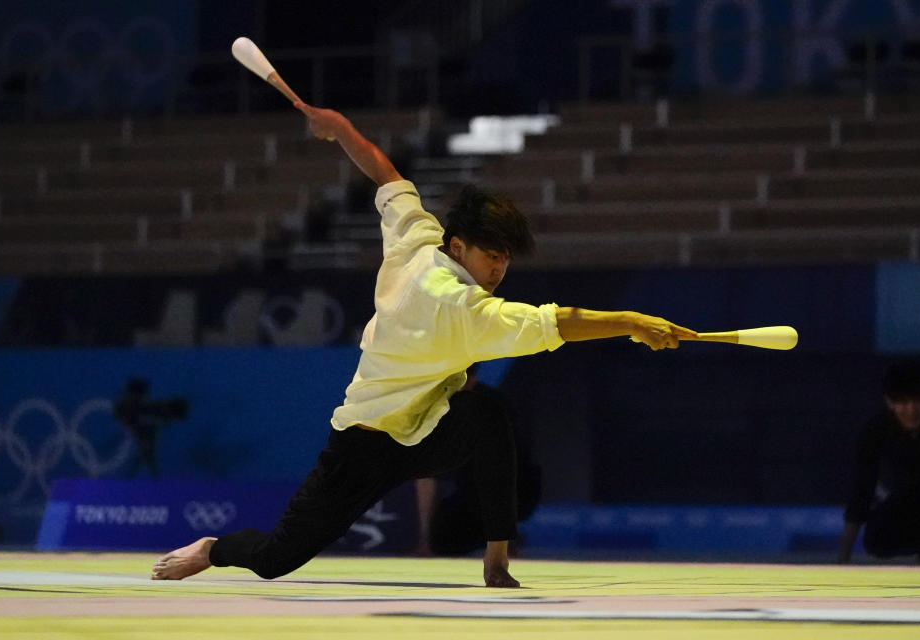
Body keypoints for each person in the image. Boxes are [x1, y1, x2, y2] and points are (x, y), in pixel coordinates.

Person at [151, 101, 697, 588]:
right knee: (275, 559)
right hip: (364, 444)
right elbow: (553, 323)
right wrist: (629, 319)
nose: (499, 269)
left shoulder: (420, 236)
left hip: (427, 428)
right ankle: (212, 548)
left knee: (488, 414)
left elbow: (384, 172)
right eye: (492, 256)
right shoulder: (458, 304)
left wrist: (340, 127)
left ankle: (497, 560)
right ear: (459, 247)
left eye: (507, 258)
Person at [413, 364, 542, 557]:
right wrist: (425, 540)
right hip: (469, 491)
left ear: (472, 380)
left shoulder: (494, 405)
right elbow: (427, 475)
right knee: (445, 539)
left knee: (495, 474)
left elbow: (509, 465)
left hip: (517, 486)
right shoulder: (437, 407)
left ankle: (503, 540)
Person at [837, 360, 920, 564]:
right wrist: (842, 557)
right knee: (879, 538)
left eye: (918, 400)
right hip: (904, 506)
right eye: (902, 402)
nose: (911, 409)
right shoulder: (876, 431)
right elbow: (862, 490)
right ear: (889, 402)